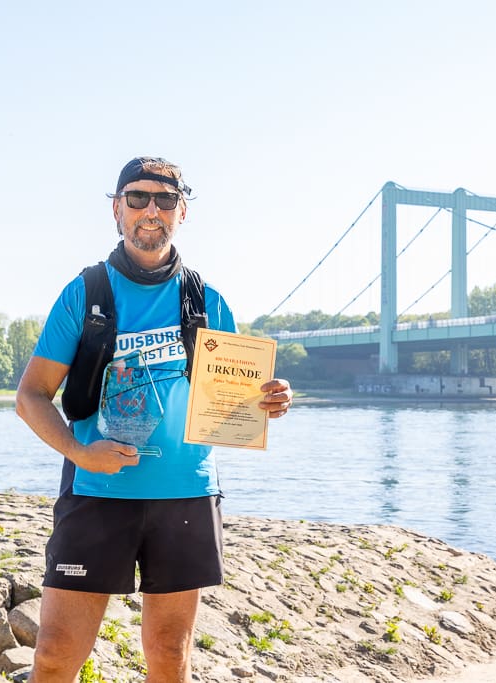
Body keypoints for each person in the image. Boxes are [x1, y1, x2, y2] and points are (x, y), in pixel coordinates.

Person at [15, 156, 294, 683]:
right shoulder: (85, 293)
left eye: (165, 200)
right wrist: (80, 453)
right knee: (54, 656)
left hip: (185, 494)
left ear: (181, 211)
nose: (151, 210)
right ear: (116, 209)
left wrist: (269, 400)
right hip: (97, 492)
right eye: (138, 198)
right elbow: (31, 397)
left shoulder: (206, 299)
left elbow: (233, 400)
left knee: (169, 657)